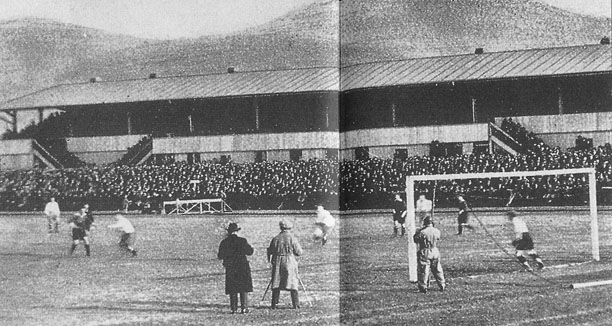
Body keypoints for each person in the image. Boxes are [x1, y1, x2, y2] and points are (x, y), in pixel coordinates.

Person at [217, 222, 254, 314]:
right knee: (243, 287)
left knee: (232, 287)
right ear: (237, 231)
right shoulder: (242, 241)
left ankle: (233, 308)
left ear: (229, 232)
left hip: (230, 266)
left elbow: (220, 256)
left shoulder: (224, 242)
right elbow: (250, 252)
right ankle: (244, 308)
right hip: (242, 266)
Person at [267, 220, 303, 309]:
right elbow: (299, 252)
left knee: (276, 281)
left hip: (278, 260)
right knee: (292, 282)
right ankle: (296, 304)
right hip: (289, 261)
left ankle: (274, 303)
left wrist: (270, 259)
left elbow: (270, 251)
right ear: (289, 228)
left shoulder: (276, 238)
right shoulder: (292, 238)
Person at [413, 216, 445, 293]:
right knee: (437, 269)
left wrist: (417, 232)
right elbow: (438, 238)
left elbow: (416, 239)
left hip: (425, 250)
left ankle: (423, 287)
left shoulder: (422, 232)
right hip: (435, 250)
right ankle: (442, 284)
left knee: (423, 270)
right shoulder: (437, 231)